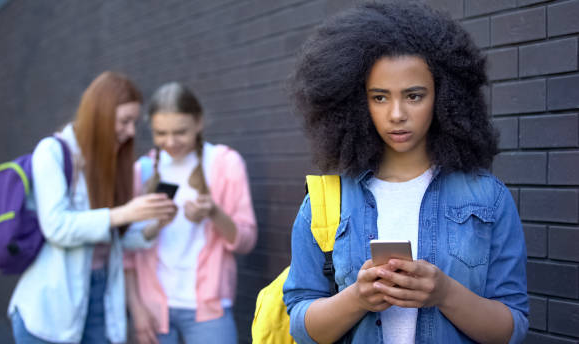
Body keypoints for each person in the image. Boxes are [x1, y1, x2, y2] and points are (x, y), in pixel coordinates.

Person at [283, 2, 529, 343]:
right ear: (357, 102)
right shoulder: (327, 202)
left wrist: (444, 293)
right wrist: (356, 299)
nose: (397, 114)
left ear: (444, 97)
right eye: (380, 97)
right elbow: (300, 324)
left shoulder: (488, 198)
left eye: (414, 96)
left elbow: (512, 328)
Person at [9, 71, 177, 344]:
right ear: (100, 114)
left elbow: (111, 238)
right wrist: (125, 213)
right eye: (125, 121)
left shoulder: (110, 163)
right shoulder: (52, 151)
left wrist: (153, 224)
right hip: (50, 308)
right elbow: (57, 227)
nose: (132, 131)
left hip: (100, 298)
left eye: (134, 122)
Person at [124, 82, 257, 344]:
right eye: (161, 133)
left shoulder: (224, 163)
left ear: (199, 122)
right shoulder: (143, 171)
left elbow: (246, 241)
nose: (170, 142)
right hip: (152, 309)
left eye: (180, 132)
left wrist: (214, 213)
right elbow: (127, 254)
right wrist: (137, 310)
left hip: (208, 307)